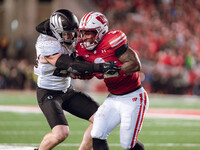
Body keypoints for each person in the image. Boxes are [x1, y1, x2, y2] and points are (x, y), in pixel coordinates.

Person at [34, 9, 119, 150]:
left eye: (72, 32)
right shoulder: (46, 43)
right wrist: (100, 67)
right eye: (66, 33)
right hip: (48, 92)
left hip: (67, 90)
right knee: (61, 133)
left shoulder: (71, 35)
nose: (70, 37)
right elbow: (70, 65)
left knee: (101, 119)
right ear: (55, 31)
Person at [74, 11, 149, 150]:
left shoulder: (112, 41)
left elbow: (135, 64)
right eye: (82, 33)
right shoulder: (82, 48)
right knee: (97, 133)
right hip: (113, 98)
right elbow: (85, 72)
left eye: (88, 33)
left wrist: (111, 71)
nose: (84, 38)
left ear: (100, 32)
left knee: (127, 144)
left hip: (133, 97)